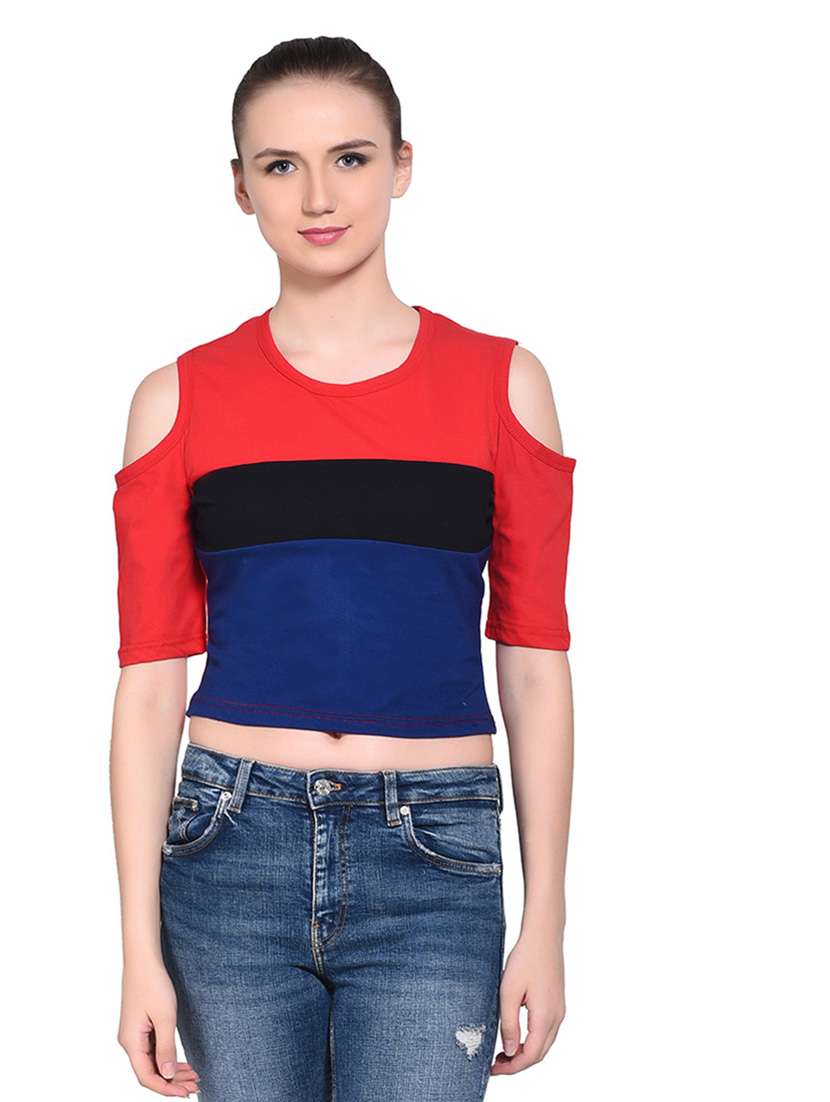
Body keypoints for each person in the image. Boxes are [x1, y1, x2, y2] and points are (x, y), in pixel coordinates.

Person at [111, 35, 575, 1102]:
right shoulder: (176, 400)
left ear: (401, 165)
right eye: (281, 165)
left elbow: (535, 661)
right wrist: (137, 947)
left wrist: (544, 917)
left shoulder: (503, 385)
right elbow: (148, 684)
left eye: (351, 158)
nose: (318, 196)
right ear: (241, 186)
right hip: (230, 849)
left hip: (436, 856)